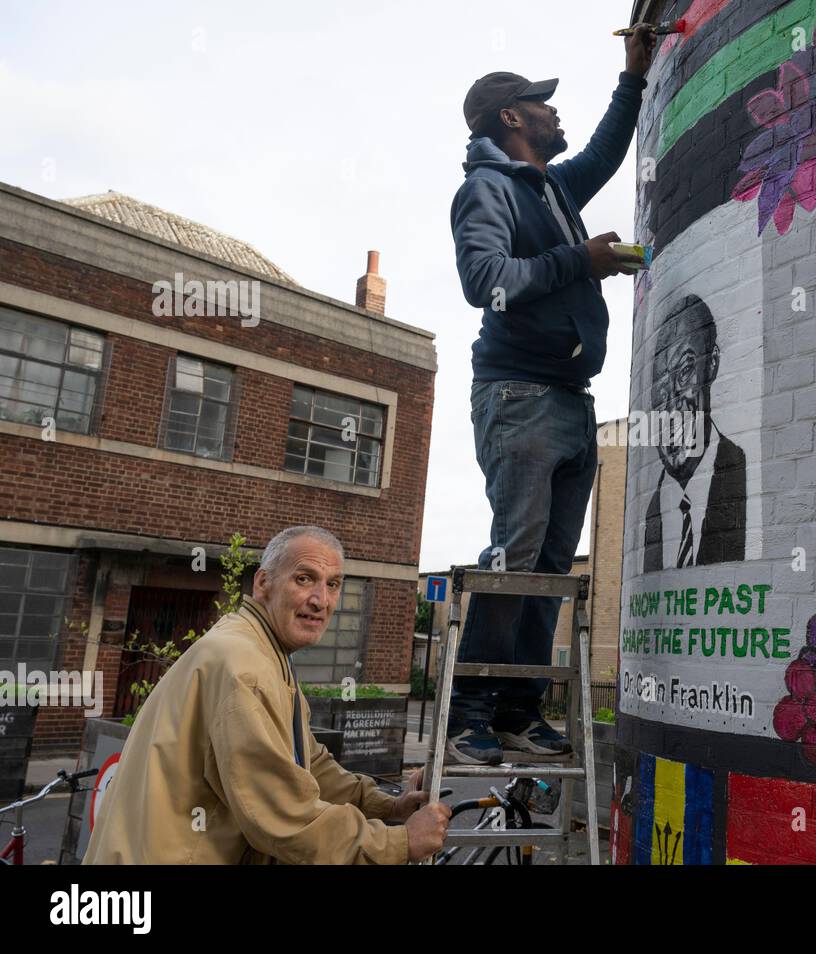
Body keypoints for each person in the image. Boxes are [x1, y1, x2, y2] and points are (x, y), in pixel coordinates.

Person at [445, 25, 657, 765]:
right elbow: (486, 281)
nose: (553, 114)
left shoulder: (554, 186)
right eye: (542, 104)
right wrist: (583, 260)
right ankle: (468, 715)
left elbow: (603, 149)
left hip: (571, 398)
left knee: (552, 567)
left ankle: (518, 713)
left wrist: (631, 78)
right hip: (519, 396)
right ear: (512, 118)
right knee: (516, 557)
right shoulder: (488, 189)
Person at [84, 526, 451, 864]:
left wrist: (388, 806)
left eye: (334, 584)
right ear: (263, 584)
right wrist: (401, 842)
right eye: (304, 579)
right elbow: (284, 819)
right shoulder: (246, 666)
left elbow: (306, 761)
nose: (321, 600)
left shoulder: (260, 649)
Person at [642, 294, 747, 572]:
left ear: (711, 364)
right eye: (660, 389)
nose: (672, 405)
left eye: (685, 371)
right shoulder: (652, 512)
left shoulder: (744, 474)